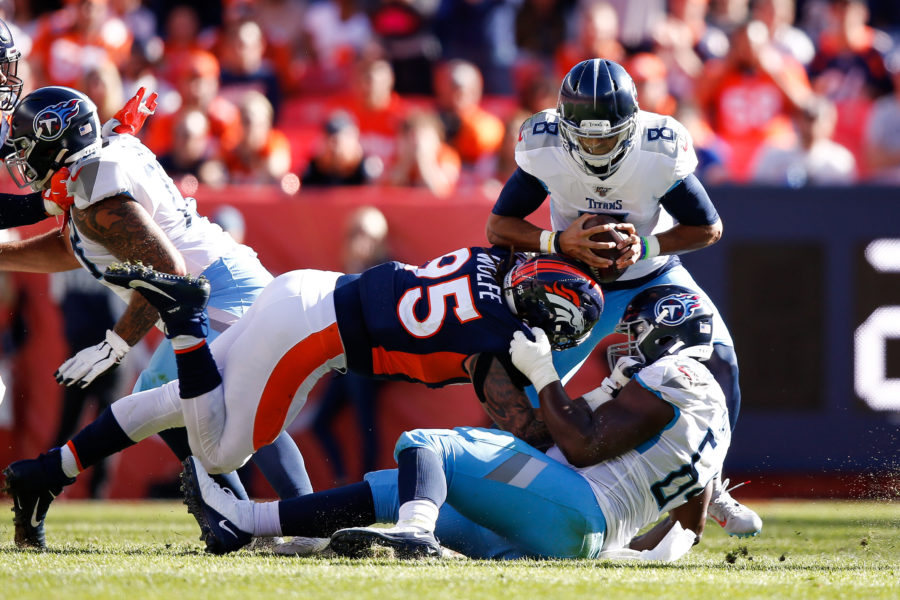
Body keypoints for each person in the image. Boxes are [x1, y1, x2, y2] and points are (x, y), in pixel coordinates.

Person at [3, 245, 603, 553]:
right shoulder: (500, 340)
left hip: (309, 292)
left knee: (171, 401)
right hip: (317, 334)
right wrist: (546, 374)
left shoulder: (495, 261)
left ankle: (46, 471)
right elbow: (530, 429)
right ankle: (185, 318)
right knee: (222, 450)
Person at [180, 285, 731, 561]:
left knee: (426, 445)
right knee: (400, 487)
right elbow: (690, 526)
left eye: (640, 330)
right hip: (576, 529)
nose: (631, 343)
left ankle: (416, 535)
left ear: (673, 331)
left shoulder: (672, 373)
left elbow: (583, 447)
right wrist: (622, 552)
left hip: (576, 507)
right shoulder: (714, 415)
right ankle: (250, 520)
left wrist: (544, 376)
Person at [0, 86, 311, 549]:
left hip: (219, 293)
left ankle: (264, 518)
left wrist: (116, 343)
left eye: (26, 149)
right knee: (209, 403)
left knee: (171, 398)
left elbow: (167, 273)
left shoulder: (94, 190)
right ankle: (270, 518)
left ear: (55, 139)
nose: (21, 163)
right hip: (224, 284)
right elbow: (83, 248)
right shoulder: (96, 168)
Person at [484, 58, 761, 537]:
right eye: (585, 137)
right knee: (513, 392)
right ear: (565, 127)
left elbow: (708, 227)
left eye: (607, 137)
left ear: (632, 124)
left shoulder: (660, 148)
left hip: (651, 274)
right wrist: (558, 242)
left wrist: (647, 245)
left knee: (719, 360)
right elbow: (498, 227)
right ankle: (501, 495)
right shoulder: (542, 143)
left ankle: (708, 482)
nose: (594, 147)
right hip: (571, 279)